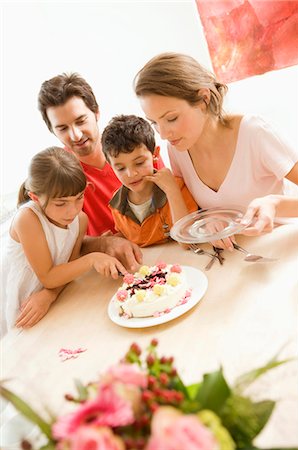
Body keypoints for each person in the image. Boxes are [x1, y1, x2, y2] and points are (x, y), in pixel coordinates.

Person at [133, 52, 298, 247]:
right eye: (154, 123)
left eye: (171, 119)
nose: (163, 134)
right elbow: (193, 220)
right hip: (240, 258)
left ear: (204, 99)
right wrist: (210, 222)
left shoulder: (254, 132)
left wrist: (276, 204)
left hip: (288, 247)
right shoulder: (177, 149)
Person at [37, 73, 162, 264]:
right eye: (62, 128)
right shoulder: (58, 174)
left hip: (161, 246)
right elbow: (65, 244)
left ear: (96, 113)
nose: (76, 135)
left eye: (80, 121)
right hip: (115, 266)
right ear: (52, 131)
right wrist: (103, 244)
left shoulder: (135, 146)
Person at [0, 147, 127, 336]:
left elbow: (67, 269)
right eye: (61, 203)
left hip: (51, 300)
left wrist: (49, 294)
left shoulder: (80, 220)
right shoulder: (27, 219)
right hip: (22, 305)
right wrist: (92, 259)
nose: (73, 210)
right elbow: (48, 276)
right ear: (35, 197)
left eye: (79, 198)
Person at [101, 115, 198, 247]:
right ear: (110, 165)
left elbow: (186, 241)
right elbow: (129, 237)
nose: (131, 174)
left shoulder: (176, 187)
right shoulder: (117, 205)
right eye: (121, 168)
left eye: (139, 163)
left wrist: (172, 191)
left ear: (155, 154)